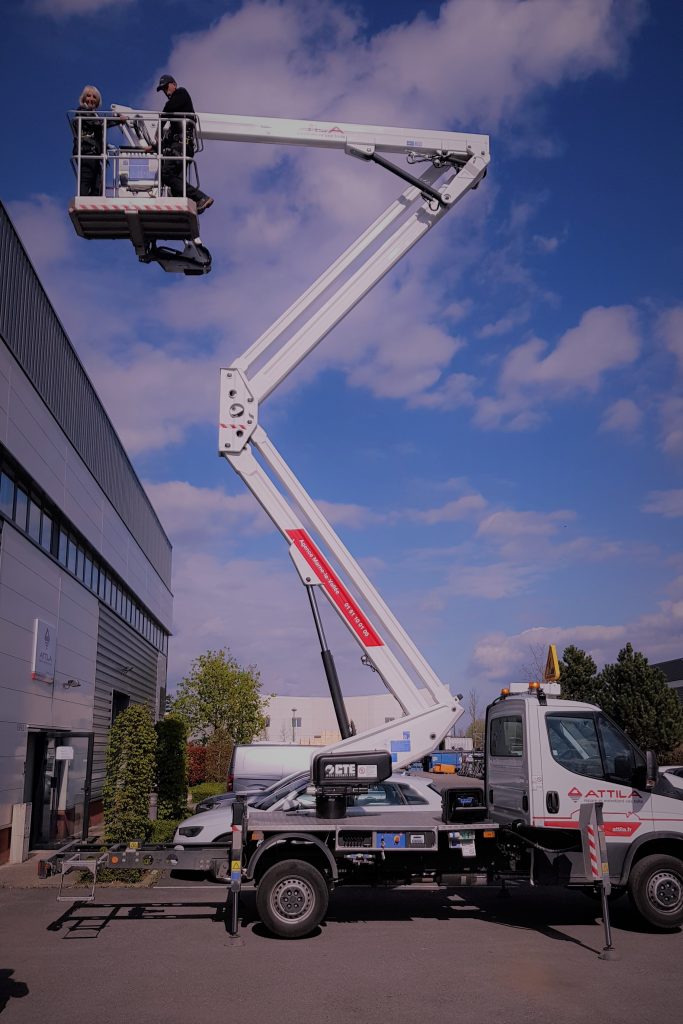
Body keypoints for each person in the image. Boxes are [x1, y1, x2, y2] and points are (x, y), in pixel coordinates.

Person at [155, 74, 213, 213]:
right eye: (162, 89)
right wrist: (154, 146)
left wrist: (160, 126)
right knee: (175, 185)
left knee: (166, 174)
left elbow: (168, 109)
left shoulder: (181, 93)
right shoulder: (176, 119)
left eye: (166, 86)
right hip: (180, 145)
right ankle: (196, 201)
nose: (165, 90)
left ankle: (200, 197)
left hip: (181, 145)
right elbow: (167, 138)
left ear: (174, 84)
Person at [72, 85, 105, 196]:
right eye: (88, 96)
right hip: (86, 153)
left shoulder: (94, 114)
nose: (91, 99)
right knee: (86, 180)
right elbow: (97, 124)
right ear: (84, 98)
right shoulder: (82, 111)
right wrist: (118, 120)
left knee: (97, 184)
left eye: (94, 97)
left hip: (94, 154)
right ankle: (83, 200)